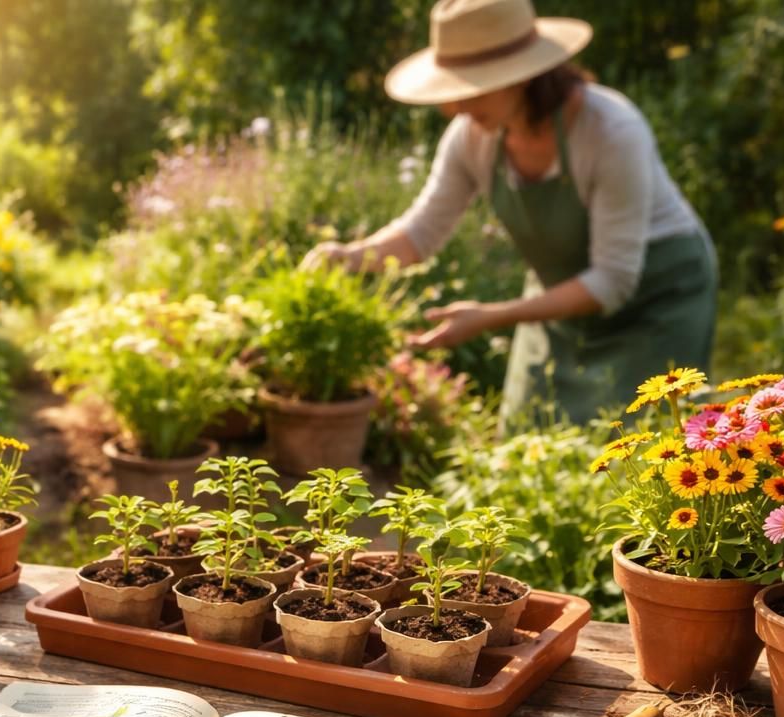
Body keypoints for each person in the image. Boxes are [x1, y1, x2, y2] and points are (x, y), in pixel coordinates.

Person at [306, 0, 716, 430]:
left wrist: (491, 315)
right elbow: (419, 235)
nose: (452, 108)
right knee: (526, 440)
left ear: (523, 77)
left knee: (641, 455)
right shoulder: (472, 137)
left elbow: (613, 280)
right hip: (557, 298)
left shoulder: (611, 132)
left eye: (469, 88)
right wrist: (348, 257)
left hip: (655, 300)